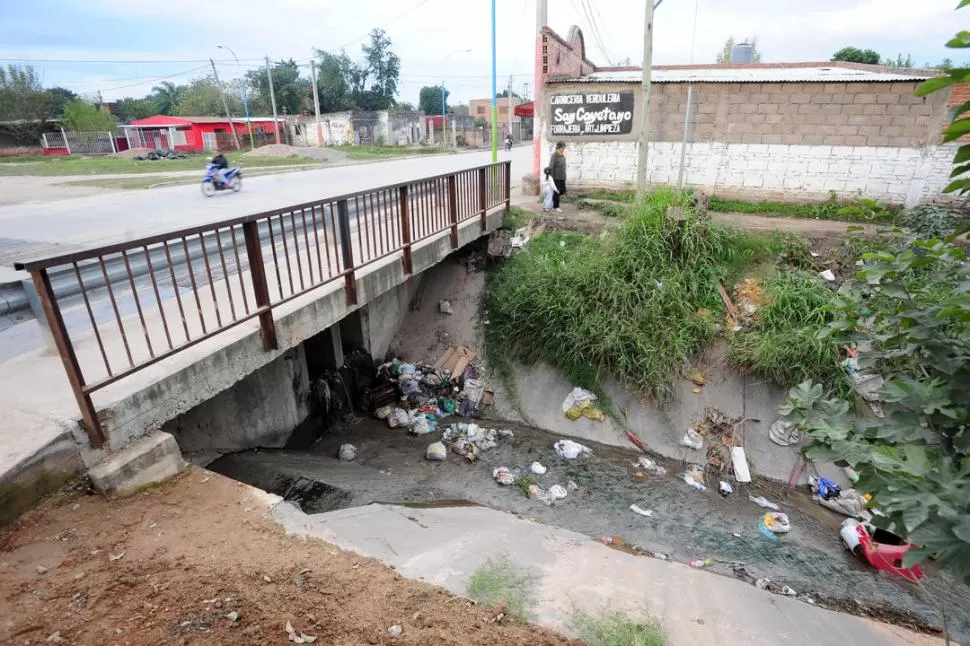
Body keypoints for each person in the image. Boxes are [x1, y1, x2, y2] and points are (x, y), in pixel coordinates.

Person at [547, 141, 566, 212]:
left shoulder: (562, 155)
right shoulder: (554, 155)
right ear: (558, 147)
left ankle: (553, 200)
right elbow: (551, 166)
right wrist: (550, 177)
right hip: (556, 177)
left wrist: (565, 176)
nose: (563, 149)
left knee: (563, 190)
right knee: (557, 192)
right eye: (562, 148)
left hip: (562, 177)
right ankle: (555, 206)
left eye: (564, 148)